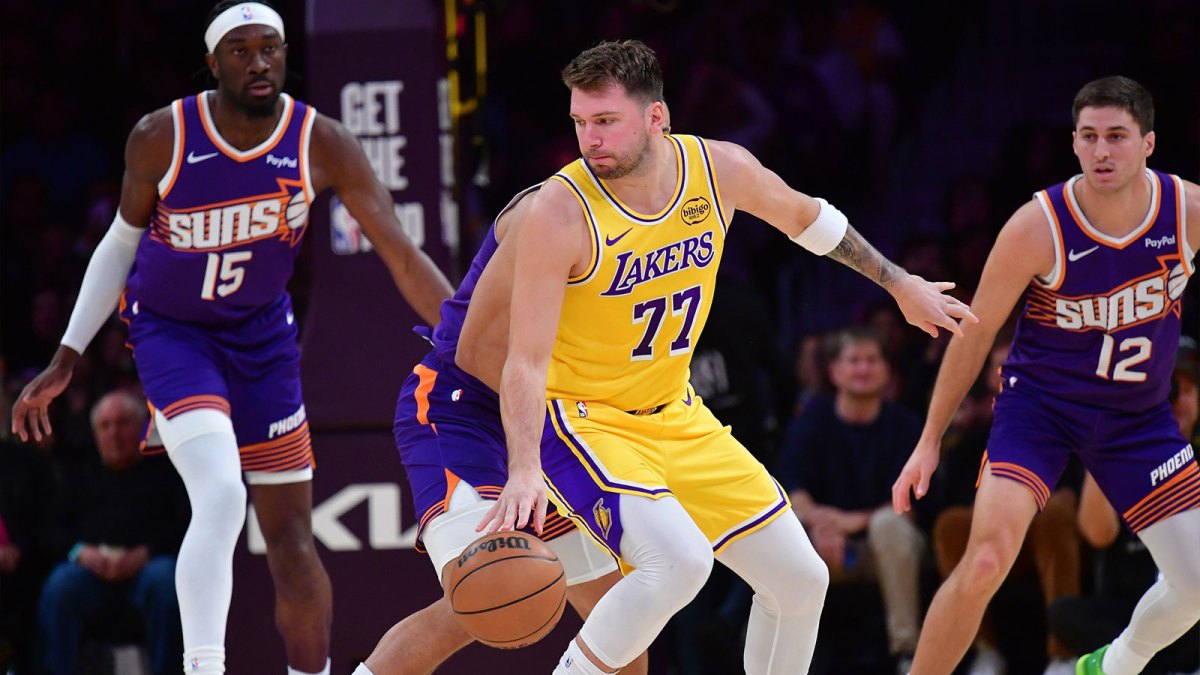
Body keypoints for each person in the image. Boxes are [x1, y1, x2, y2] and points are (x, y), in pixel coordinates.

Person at [461, 40, 975, 675]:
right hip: (585, 418)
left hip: (677, 412)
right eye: (579, 123)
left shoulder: (719, 170)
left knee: (800, 580)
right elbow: (523, 361)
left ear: (657, 118)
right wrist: (522, 467)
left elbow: (811, 222)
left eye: (605, 122)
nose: (589, 140)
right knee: (679, 563)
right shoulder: (558, 213)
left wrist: (899, 283)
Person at [9, 3, 454, 673]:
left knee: (294, 547)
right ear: (213, 63)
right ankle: (204, 667)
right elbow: (117, 245)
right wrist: (68, 353)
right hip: (173, 334)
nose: (259, 62)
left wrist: (466, 343)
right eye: (241, 51)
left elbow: (399, 250)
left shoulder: (320, 141)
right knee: (220, 490)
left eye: (269, 48)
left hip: (262, 339)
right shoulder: (163, 135)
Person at [892, 76, 1200, 675]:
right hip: (1041, 412)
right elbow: (975, 333)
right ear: (1075, 143)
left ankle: (1110, 667)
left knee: (1194, 591)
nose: (1102, 151)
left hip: (1139, 417)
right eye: (1089, 137)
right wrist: (929, 439)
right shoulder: (1038, 226)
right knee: (985, 561)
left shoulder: (1186, 212)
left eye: (1117, 136)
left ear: (1148, 144)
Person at [352, 187, 647, 675]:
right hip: (464, 408)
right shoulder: (544, 212)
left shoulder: (660, 236)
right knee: (490, 589)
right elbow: (477, 353)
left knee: (618, 623)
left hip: (550, 417)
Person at [931, 335, 1083, 675]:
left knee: (1058, 510)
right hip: (992, 540)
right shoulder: (973, 434)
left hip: (1046, 538)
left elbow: (1077, 490)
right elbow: (953, 498)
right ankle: (985, 652)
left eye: (1015, 364)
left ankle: (1062, 654)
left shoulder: (1066, 421)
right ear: (987, 378)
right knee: (951, 523)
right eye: (999, 368)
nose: (1007, 374)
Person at [777, 327, 925, 674]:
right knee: (780, 539)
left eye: (872, 360)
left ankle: (909, 656)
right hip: (826, 546)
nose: (863, 369)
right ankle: (785, 660)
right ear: (834, 372)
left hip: (884, 549)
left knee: (889, 525)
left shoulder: (905, 426)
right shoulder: (811, 421)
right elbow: (791, 490)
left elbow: (915, 506)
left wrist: (853, 522)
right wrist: (816, 525)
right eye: (853, 360)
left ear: (887, 371)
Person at [1048, 356, 1200, 674]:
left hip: (1188, 607)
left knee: (1190, 602)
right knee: (1065, 614)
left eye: (1186, 390)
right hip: (1125, 607)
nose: (1177, 400)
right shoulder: (1119, 455)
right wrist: (1106, 442)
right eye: (1169, 390)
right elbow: (1097, 533)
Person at [37, 391, 190, 675]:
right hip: (91, 573)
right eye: (105, 426)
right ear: (94, 433)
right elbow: (50, 529)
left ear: (143, 427)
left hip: (147, 569)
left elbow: (184, 527)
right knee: (59, 586)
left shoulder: (166, 472)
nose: (114, 434)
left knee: (166, 580)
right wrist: (80, 552)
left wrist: (147, 553)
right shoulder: (80, 473)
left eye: (123, 423)